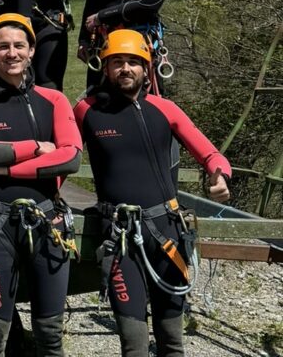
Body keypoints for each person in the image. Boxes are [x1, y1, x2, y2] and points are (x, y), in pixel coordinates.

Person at [75, 29, 230, 357]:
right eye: (117, 62)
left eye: (134, 62)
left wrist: (219, 175)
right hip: (119, 238)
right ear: (105, 67)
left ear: (147, 69)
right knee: (133, 344)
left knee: (172, 340)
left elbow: (210, 154)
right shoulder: (86, 111)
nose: (125, 68)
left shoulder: (165, 109)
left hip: (168, 235)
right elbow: (64, 154)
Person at [0, 14, 82, 357]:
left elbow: (70, 158)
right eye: (3, 46)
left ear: (32, 50)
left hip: (47, 222)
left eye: (19, 45)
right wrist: (36, 149)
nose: (12, 53)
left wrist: (5, 166)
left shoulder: (53, 100)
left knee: (50, 335)